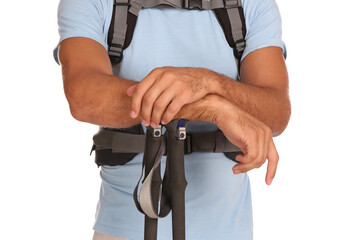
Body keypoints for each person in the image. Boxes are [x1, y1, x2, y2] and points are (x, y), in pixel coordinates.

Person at [54, 0, 291, 239]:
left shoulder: (250, 4)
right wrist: (212, 108)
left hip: (229, 230)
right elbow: (84, 96)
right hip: (124, 229)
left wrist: (210, 82)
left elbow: (276, 112)